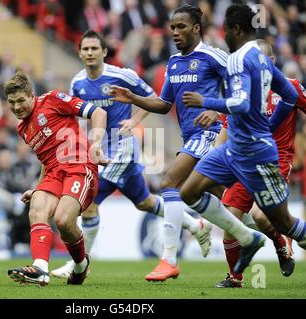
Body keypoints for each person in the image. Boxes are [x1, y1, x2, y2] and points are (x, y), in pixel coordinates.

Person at [180, 4, 306, 276]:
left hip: (268, 156)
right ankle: (236, 275)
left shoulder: (247, 64)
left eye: (227, 30)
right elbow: (231, 118)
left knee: (274, 219)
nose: (224, 35)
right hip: (235, 153)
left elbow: (300, 105)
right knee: (202, 199)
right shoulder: (241, 70)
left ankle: (281, 243)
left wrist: (208, 102)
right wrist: (216, 149)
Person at [52, 29, 212, 279]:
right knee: (144, 202)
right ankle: (195, 224)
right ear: (80, 53)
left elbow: (153, 99)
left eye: (95, 48)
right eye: (86, 49)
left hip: (124, 147)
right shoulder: (77, 83)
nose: (90, 53)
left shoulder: (122, 75)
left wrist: (134, 120)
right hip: (102, 150)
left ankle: (79, 266)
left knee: (89, 202)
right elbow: (81, 116)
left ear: (104, 52)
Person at [109, 4, 228, 282]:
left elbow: (242, 83)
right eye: (173, 27)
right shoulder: (174, 63)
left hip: (209, 134)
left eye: (181, 27)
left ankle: (169, 259)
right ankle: (267, 235)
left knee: (168, 183)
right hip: (191, 137)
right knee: (229, 198)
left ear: (196, 28)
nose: (175, 32)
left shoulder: (213, 56)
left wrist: (216, 108)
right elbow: (163, 104)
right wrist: (133, 98)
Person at [213, 39, 306, 288]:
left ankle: (281, 243)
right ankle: (236, 277)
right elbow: (226, 128)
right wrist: (213, 161)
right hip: (244, 161)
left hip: (276, 160)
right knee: (229, 219)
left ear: (272, 62)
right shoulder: (241, 91)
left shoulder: (290, 87)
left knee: (260, 215)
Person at [5, 72, 108, 286]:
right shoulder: (22, 128)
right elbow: (46, 157)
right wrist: (38, 188)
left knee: (63, 220)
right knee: (36, 207)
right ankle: (41, 268)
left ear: (32, 96)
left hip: (79, 164)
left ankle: (80, 265)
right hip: (53, 172)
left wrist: (96, 144)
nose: (16, 107)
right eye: (11, 102)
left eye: (21, 100)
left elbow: (98, 112)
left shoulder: (52, 100)